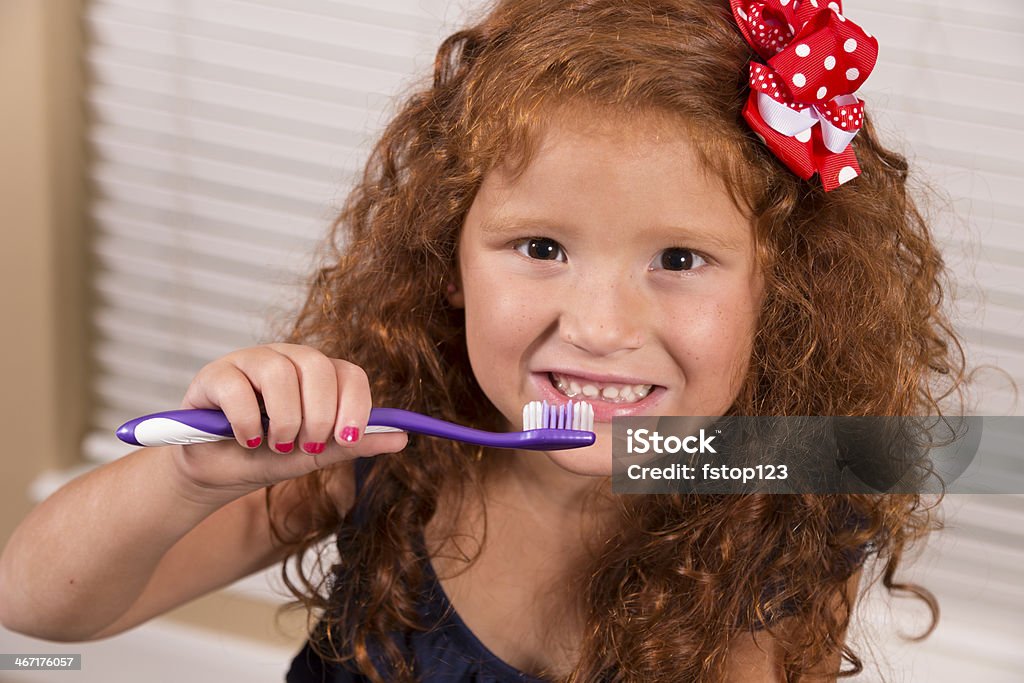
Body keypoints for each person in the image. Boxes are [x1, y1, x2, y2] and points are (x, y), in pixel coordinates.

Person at [0, 0, 968, 680]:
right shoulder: (380, 435)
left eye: (679, 258)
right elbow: (37, 605)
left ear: (784, 291)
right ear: (446, 259)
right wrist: (191, 477)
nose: (597, 327)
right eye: (540, 246)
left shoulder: (783, 506)